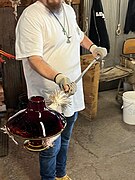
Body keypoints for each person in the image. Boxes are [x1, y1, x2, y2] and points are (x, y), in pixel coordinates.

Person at [15, 0, 107, 179]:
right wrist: (58, 77)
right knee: (50, 146)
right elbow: (34, 58)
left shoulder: (68, 10)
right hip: (49, 96)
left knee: (65, 138)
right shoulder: (31, 16)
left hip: (71, 90)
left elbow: (78, 35)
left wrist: (93, 47)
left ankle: (60, 174)